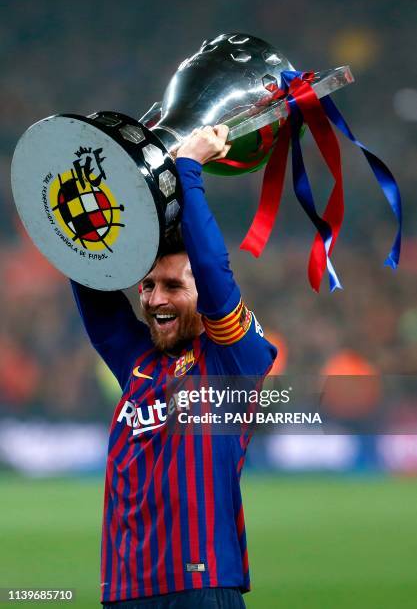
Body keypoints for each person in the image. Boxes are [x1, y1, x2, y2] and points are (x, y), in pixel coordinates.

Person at [71, 125, 277, 608]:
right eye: (146, 286)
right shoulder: (136, 361)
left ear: (201, 291)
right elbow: (87, 266)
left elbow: (212, 267)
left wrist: (189, 171)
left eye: (172, 286)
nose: (155, 299)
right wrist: (90, 193)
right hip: (123, 591)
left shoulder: (232, 357)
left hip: (202, 588)